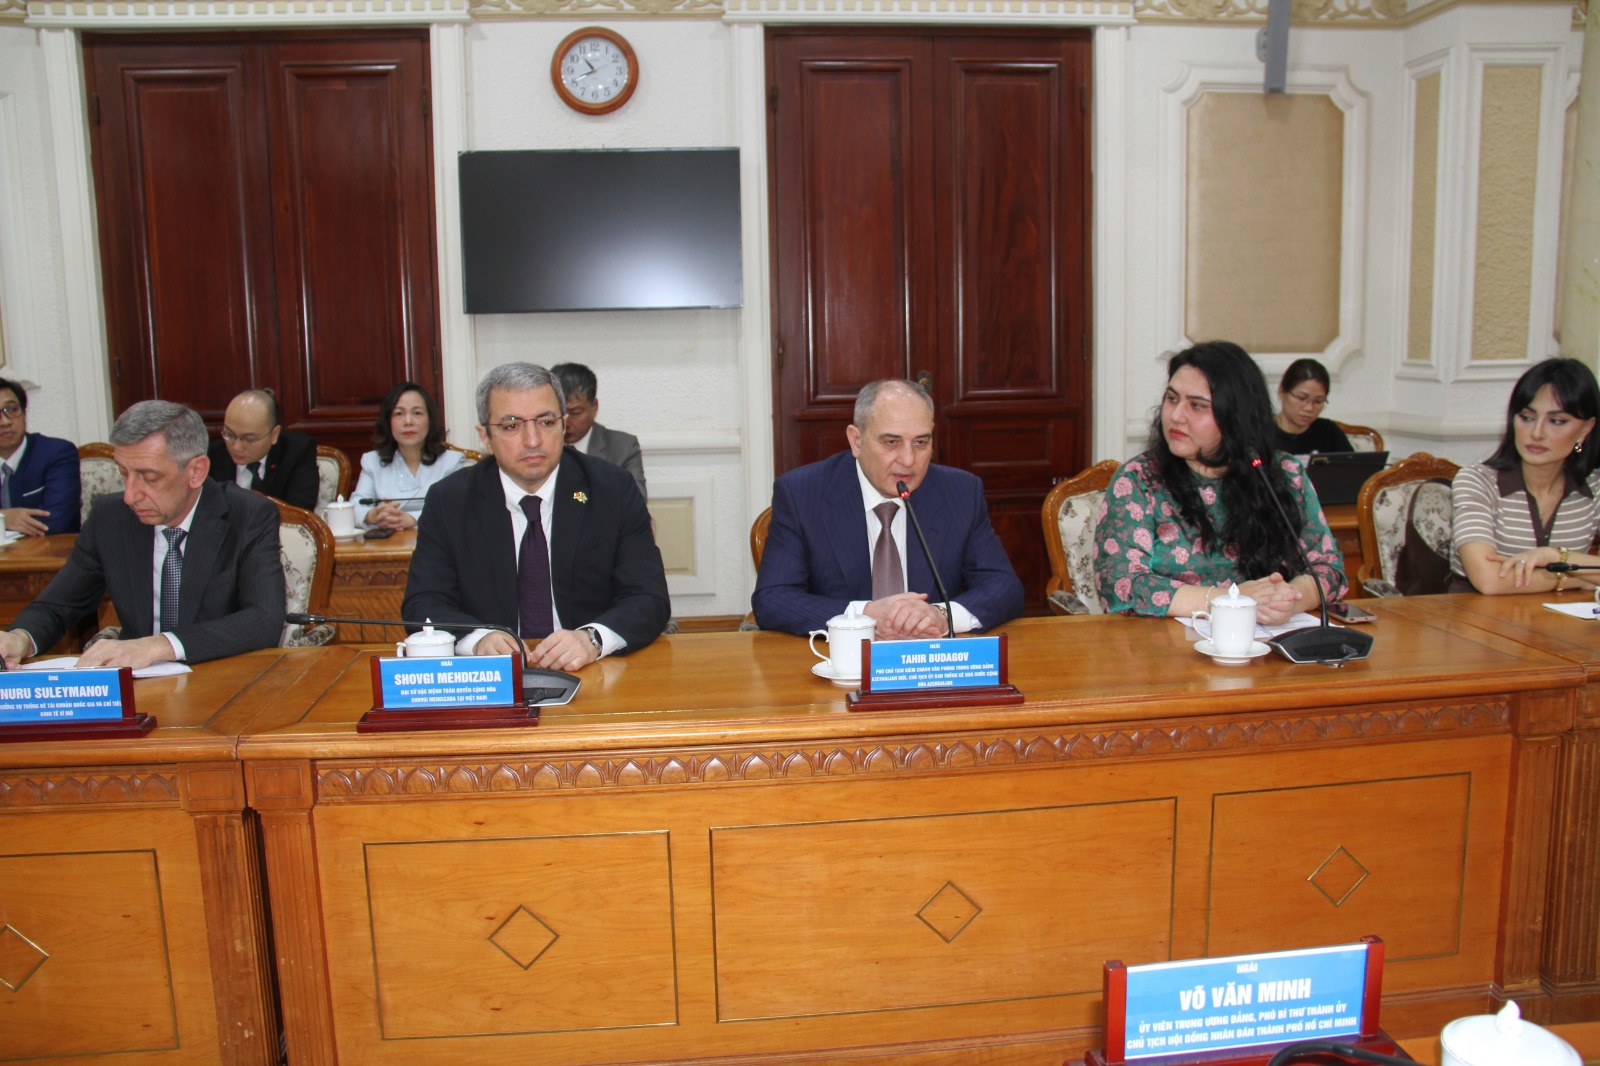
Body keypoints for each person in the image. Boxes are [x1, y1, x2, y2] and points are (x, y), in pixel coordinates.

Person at [402, 362, 670, 671]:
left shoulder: (612, 489)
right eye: (511, 425)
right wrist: (478, 639)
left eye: (545, 422)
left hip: (594, 668)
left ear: (563, 425)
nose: (532, 441)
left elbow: (649, 597)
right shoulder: (450, 501)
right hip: (493, 675)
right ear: (486, 436)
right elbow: (423, 603)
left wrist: (593, 639)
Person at [0, 400, 285, 668]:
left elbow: (263, 620)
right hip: (142, 686)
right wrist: (20, 638)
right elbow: (59, 604)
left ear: (196, 471)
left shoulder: (248, 516)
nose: (130, 495)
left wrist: (157, 646)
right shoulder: (110, 517)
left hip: (224, 676)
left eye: (149, 477)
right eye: (124, 474)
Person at [1095, 341, 1347, 623]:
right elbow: (1121, 585)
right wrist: (1229, 600)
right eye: (1172, 399)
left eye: (1197, 405)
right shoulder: (1139, 480)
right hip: (1169, 643)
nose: (1176, 416)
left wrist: (1288, 600)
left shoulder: (1286, 474)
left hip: (1269, 640)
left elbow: (1329, 568)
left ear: (1235, 416)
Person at [751, 379, 1024, 638]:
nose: (908, 460)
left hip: (930, 658)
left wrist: (942, 615)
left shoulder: (960, 492)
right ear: (856, 440)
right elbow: (773, 599)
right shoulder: (802, 494)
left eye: (920, 442)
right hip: (839, 658)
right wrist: (865, 616)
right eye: (891, 442)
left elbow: (1003, 586)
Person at [1450, 357, 1600, 595]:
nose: (1536, 433)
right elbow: (1489, 581)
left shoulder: (1594, 486)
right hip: (1475, 615)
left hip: (1559, 617)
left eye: (1557, 421)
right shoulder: (1477, 481)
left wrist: (1554, 556)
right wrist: (1576, 578)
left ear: (1586, 428)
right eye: (1527, 418)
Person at [352, 382, 463, 530]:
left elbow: (458, 508)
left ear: (430, 420)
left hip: (435, 541)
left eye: (417, 413)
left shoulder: (451, 462)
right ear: (388, 421)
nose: (408, 422)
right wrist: (372, 515)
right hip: (386, 542)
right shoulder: (372, 461)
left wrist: (413, 518)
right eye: (399, 413)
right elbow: (355, 506)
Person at [206, 389, 319, 511]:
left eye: (249, 439)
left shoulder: (297, 452)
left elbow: (298, 512)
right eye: (229, 434)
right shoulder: (211, 454)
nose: (236, 447)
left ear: (274, 434)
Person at [550, 363, 646, 498]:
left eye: (575, 412)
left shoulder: (623, 447)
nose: (566, 422)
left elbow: (636, 499)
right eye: (559, 412)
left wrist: (579, 497)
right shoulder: (536, 444)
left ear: (594, 407)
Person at [0, 375, 81, 535]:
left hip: (52, 549)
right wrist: (4, 518)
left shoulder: (58, 453)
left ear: (24, 413)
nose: (5, 422)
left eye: (12, 410)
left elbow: (55, 522)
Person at [1273, 358, 1353, 455]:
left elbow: (1352, 463)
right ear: (1282, 392)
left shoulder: (1329, 432)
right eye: (1301, 398)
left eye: (1318, 401)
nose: (1309, 408)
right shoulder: (1262, 431)